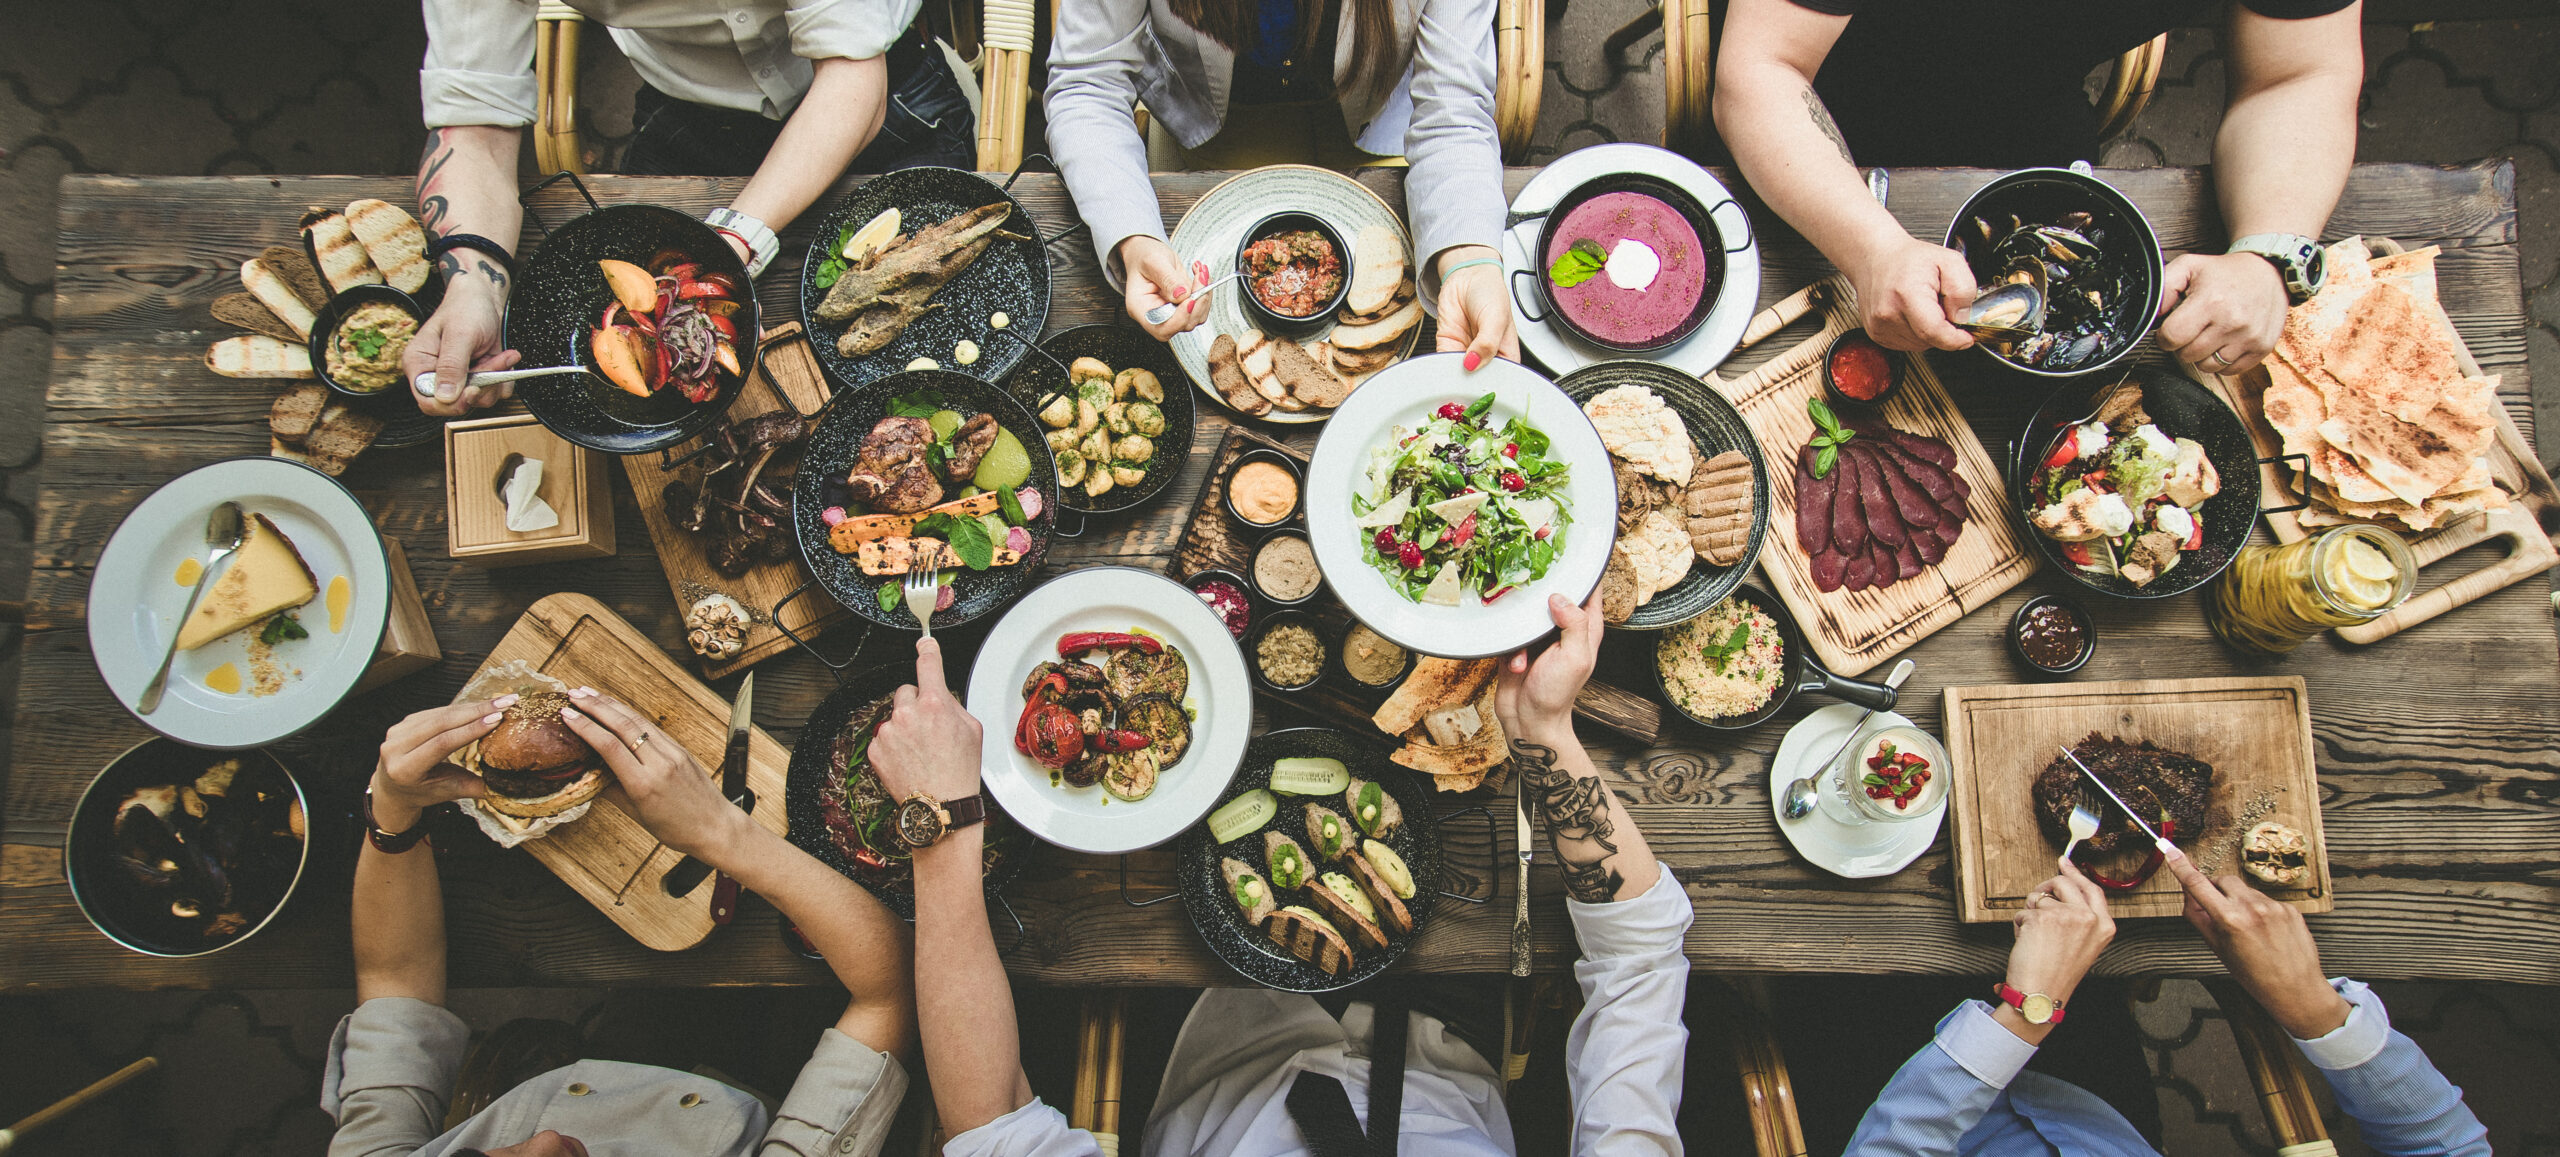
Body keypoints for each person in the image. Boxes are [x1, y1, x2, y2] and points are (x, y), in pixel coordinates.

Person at [863, 590, 1690, 1154]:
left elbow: (988, 1124)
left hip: (1208, 1036)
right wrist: (1544, 731)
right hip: (1447, 1032)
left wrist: (940, 822)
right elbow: (1639, 960)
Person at [321, 692, 918, 1156]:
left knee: (639, 1018)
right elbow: (887, 993)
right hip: (771, 1087)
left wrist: (392, 808)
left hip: (589, 1050)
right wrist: (720, 833)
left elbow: (394, 978)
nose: (548, 1139)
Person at [1711, 0, 2362, 374]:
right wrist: (1872, 247)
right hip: (1816, 102)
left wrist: (2270, 252)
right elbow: (1762, 69)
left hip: (2029, 110)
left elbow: (2301, 74)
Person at [406, 0, 977, 415]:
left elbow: (854, 79)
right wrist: (472, 287)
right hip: (691, 110)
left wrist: (721, 253)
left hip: (878, 91)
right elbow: (472, 126)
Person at [1833, 846, 2489, 1155]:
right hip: (2092, 1112)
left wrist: (2027, 1011)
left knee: (1840, 968)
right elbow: (2452, 1146)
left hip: (1882, 1104)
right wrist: (2314, 1010)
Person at [1043, 0, 1520, 370]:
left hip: (1376, 128)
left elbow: (1452, 114)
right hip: (1205, 131)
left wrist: (1469, 260)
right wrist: (1131, 233)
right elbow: (1088, 83)